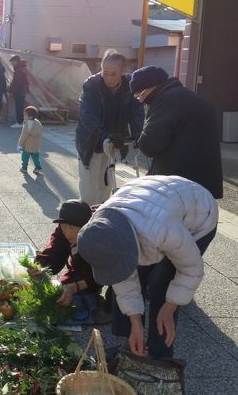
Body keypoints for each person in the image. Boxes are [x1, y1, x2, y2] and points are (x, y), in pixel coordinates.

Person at [78, 175, 218, 358]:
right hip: (154, 198)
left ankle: (160, 356)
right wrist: (135, 323)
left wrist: (170, 307)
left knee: (162, 286)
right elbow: (123, 279)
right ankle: (133, 341)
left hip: (199, 212)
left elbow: (191, 270)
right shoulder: (99, 229)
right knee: (129, 278)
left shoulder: (163, 231)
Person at [130, 65, 223, 199]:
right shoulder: (188, 96)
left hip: (178, 186)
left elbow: (149, 145)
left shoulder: (166, 100)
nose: (141, 100)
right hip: (203, 183)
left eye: (140, 94)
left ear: (151, 86)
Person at [75, 49, 144, 206]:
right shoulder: (91, 86)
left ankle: (103, 220)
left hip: (113, 140)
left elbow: (137, 112)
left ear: (122, 72)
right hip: (90, 141)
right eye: (105, 72)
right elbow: (88, 115)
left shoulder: (130, 86)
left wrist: (137, 134)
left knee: (107, 183)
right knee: (90, 188)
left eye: (114, 73)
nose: (108, 77)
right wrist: (104, 135)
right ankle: (86, 220)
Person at [30, 200, 111, 325]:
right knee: (65, 291)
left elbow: (107, 270)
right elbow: (54, 251)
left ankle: (108, 308)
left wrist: (77, 286)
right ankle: (90, 294)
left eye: (72, 228)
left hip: (118, 263)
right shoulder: (63, 229)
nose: (67, 233)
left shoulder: (100, 234)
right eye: (64, 227)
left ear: (85, 226)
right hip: (82, 266)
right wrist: (41, 265)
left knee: (120, 292)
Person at [18, 106, 43, 174]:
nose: (24, 115)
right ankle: (38, 167)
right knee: (35, 157)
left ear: (30, 117)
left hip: (27, 145)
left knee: (25, 157)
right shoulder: (38, 122)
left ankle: (24, 168)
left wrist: (20, 144)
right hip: (36, 145)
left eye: (25, 114)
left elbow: (24, 135)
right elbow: (40, 131)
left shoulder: (27, 124)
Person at [8, 56, 30, 129]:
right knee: (20, 107)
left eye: (12, 61)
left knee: (19, 107)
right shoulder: (22, 68)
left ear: (16, 61)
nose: (12, 63)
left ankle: (19, 122)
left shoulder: (19, 70)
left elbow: (17, 83)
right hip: (22, 91)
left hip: (19, 91)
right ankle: (21, 122)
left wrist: (11, 91)